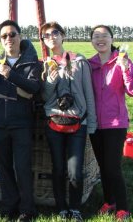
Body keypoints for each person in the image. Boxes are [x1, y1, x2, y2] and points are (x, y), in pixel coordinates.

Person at [0, 20, 41, 222]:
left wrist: (11, 76)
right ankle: (9, 205)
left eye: (12, 34)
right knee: (4, 167)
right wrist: (19, 92)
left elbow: (34, 89)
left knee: (23, 167)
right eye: (4, 36)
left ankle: (27, 209)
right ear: (0, 40)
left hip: (21, 123)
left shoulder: (31, 62)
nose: (8, 39)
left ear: (20, 36)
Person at [40, 21, 97, 221]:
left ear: (63, 35)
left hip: (77, 122)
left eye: (55, 33)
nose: (51, 37)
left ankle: (75, 208)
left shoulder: (79, 61)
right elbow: (45, 97)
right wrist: (50, 80)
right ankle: (61, 208)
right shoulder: (46, 64)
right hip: (54, 121)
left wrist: (91, 123)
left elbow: (89, 94)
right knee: (58, 168)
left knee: (75, 170)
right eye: (46, 35)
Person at [88, 25, 131, 221]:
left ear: (112, 38)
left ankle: (123, 207)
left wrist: (125, 68)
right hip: (95, 124)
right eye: (96, 36)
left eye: (104, 35)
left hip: (116, 123)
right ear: (92, 41)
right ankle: (109, 201)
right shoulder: (90, 65)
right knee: (102, 166)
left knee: (113, 166)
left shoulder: (122, 61)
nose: (100, 39)